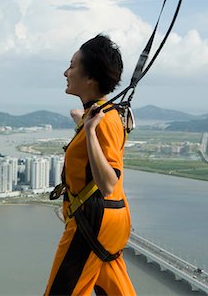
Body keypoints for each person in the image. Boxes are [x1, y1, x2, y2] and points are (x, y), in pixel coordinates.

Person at [44, 34, 136, 296]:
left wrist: (90, 130)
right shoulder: (103, 114)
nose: (66, 72)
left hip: (92, 220)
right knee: (114, 288)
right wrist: (83, 123)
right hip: (112, 218)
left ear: (89, 78)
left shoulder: (101, 121)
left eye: (72, 66)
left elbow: (108, 182)